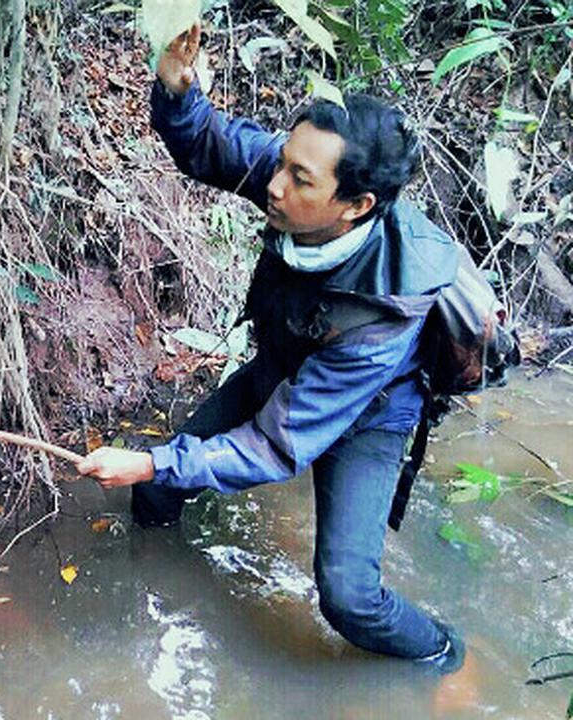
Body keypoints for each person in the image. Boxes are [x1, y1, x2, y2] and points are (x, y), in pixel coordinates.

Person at [76, 23, 466, 674]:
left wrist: (148, 462)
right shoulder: (297, 181)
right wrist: (177, 89)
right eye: (281, 162)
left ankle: (443, 655)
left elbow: (278, 445)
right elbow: (210, 144)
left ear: (357, 204)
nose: (275, 185)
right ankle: (151, 590)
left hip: (367, 418)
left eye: (298, 178)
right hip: (283, 367)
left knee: (348, 598)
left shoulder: (386, 308)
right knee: (156, 494)